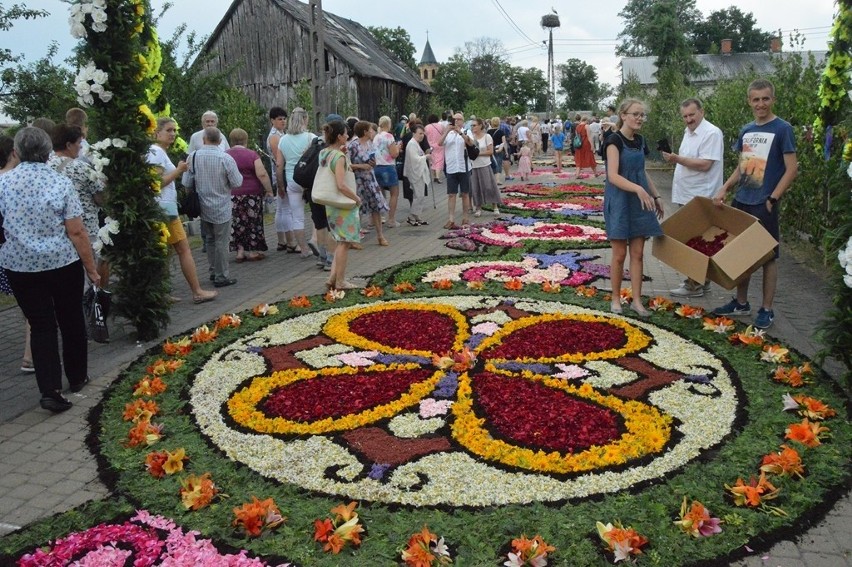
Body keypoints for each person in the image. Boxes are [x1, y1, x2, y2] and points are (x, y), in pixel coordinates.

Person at [0, 127, 100, 412]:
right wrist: (91, 269)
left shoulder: (3, 184)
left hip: (20, 266)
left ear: (17, 152)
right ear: (46, 152)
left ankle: (50, 389)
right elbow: (77, 231)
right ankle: (78, 376)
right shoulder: (60, 182)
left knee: (41, 324)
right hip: (61, 263)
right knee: (70, 319)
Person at [712, 78, 798, 330]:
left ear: (773, 99)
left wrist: (773, 198)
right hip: (743, 199)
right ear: (749, 101)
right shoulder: (747, 130)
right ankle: (741, 303)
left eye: (766, 99)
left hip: (765, 202)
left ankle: (767, 309)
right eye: (756, 99)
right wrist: (726, 187)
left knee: (769, 257)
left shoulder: (783, 129)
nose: (761, 104)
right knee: (742, 252)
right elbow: (744, 166)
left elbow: (791, 169)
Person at [603, 99, 664, 317]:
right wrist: (639, 190)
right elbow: (613, 176)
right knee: (619, 254)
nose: (639, 118)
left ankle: (637, 301)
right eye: (635, 114)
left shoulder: (640, 140)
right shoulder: (613, 140)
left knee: (637, 254)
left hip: (640, 202)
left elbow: (642, 170)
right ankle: (616, 298)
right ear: (623, 115)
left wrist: (655, 195)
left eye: (642, 115)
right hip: (620, 201)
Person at [147, 118, 217, 304]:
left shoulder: (158, 152)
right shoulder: (155, 152)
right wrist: (179, 171)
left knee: (166, 252)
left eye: (175, 130)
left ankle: (161, 293)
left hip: (164, 208)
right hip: (164, 209)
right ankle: (197, 291)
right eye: (169, 130)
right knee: (184, 249)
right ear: (157, 133)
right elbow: (156, 183)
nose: (173, 134)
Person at [662, 97, 724, 298]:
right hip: (687, 193)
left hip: (700, 195)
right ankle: (700, 281)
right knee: (693, 239)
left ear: (702, 112)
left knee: (695, 240)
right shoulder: (688, 132)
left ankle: (694, 284)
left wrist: (676, 159)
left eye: (692, 115)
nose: (688, 120)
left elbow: (705, 164)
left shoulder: (711, 133)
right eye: (685, 116)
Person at [182, 127, 243, 288]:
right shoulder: (226, 158)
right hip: (221, 205)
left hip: (202, 205)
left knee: (209, 240)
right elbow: (237, 182)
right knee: (222, 242)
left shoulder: (193, 157)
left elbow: (186, 183)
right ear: (221, 141)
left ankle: (213, 270)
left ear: (203, 140)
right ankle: (221, 275)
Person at [47, 125, 105, 273]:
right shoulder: (82, 168)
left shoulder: (45, 166)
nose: (80, 147)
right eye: (79, 143)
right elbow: (101, 199)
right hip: (85, 229)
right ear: (68, 145)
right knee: (87, 276)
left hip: (57, 230)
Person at [0, 135, 33, 373]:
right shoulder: (14, 181)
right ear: (14, 152)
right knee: (32, 307)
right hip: (14, 253)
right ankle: (29, 356)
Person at [320, 120, 362, 290]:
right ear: (339, 136)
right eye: (345, 133)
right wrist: (356, 198)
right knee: (345, 242)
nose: (347, 136)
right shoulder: (339, 157)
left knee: (339, 240)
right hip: (342, 202)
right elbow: (341, 184)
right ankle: (340, 281)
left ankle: (332, 278)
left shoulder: (324, 153)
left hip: (330, 202)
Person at [227, 128, 273, 262]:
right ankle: (253, 251)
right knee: (253, 222)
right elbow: (262, 174)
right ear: (245, 140)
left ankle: (240, 252)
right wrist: (269, 190)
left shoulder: (226, 155)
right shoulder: (252, 155)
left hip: (234, 193)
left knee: (237, 222)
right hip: (252, 193)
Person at [277, 107, 316, 256]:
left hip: (292, 180)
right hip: (310, 180)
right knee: (316, 212)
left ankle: (303, 249)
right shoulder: (311, 138)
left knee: (297, 215)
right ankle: (314, 239)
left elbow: (279, 165)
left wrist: (280, 186)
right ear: (305, 119)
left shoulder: (283, 140)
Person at [348, 121, 389, 246]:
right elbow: (347, 165)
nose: (373, 132)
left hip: (371, 179)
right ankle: (354, 238)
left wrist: (372, 163)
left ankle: (380, 236)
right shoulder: (353, 146)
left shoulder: (370, 144)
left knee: (376, 206)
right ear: (365, 132)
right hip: (358, 181)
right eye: (371, 130)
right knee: (357, 209)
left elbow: (373, 161)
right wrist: (362, 166)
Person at [438, 113, 474, 229]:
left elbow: (470, 143)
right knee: (451, 194)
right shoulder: (448, 133)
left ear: (463, 121)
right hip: (451, 167)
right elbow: (439, 143)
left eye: (459, 119)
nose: (457, 121)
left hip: (464, 167)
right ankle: (451, 219)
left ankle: (465, 218)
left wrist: (460, 132)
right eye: (455, 119)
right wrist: (447, 131)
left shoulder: (466, 131)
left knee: (465, 193)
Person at [265, 107, 294, 252]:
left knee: (281, 208)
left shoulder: (281, 133)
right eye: (279, 119)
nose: (283, 121)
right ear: (272, 120)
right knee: (285, 208)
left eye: (284, 118)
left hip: (281, 174)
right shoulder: (275, 136)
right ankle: (289, 241)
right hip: (281, 174)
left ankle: (282, 241)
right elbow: (279, 159)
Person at [373, 116, 402, 228]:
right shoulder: (389, 136)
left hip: (377, 167)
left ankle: (380, 217)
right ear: (388, 124)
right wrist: (398, 148)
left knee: (380, 194)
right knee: (394, 193)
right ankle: (391, 219)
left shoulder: (376, 137)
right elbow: (394, 154)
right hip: (388, 167)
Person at [469, 118, 502, 216]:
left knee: (489, 186)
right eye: (471, 125)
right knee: (476, 187)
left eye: (474, 125)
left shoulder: (487, 136)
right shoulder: (471, 137)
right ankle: (478, 207)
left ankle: (495, 206)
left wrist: (478, 153)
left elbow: (490, 151)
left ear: (480, 126)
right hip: (474, 166)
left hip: (485, 165)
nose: (472, 127)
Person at [402, 123, 430, 226]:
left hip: (418, 172)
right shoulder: (412, 144)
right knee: (418, 195)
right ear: (414, 133)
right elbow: (414, 159)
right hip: (415, 173)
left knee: (419, 195)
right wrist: (426, 157)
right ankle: (411, 216)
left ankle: (417, 216)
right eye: (420, 133)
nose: (422, 135)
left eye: (423, 134)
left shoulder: (415, 143)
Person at [424, 114, 444, 184]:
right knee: (439, 161)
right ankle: (437, 176)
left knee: (432, 161)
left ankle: (434, 175)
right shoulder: (440, 126)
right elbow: (443, 134)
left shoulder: (426, 127)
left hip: (430, 146)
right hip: (439, 145)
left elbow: (424, 136)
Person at [487, 117, 508, 184]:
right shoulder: (501, 132)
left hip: (491, 149)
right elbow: (504, 142)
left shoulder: (488, 132)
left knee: (491, 164)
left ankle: (492, 179)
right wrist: (506, 151)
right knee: (498, 163)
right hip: (499, 149)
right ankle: (497, 180)